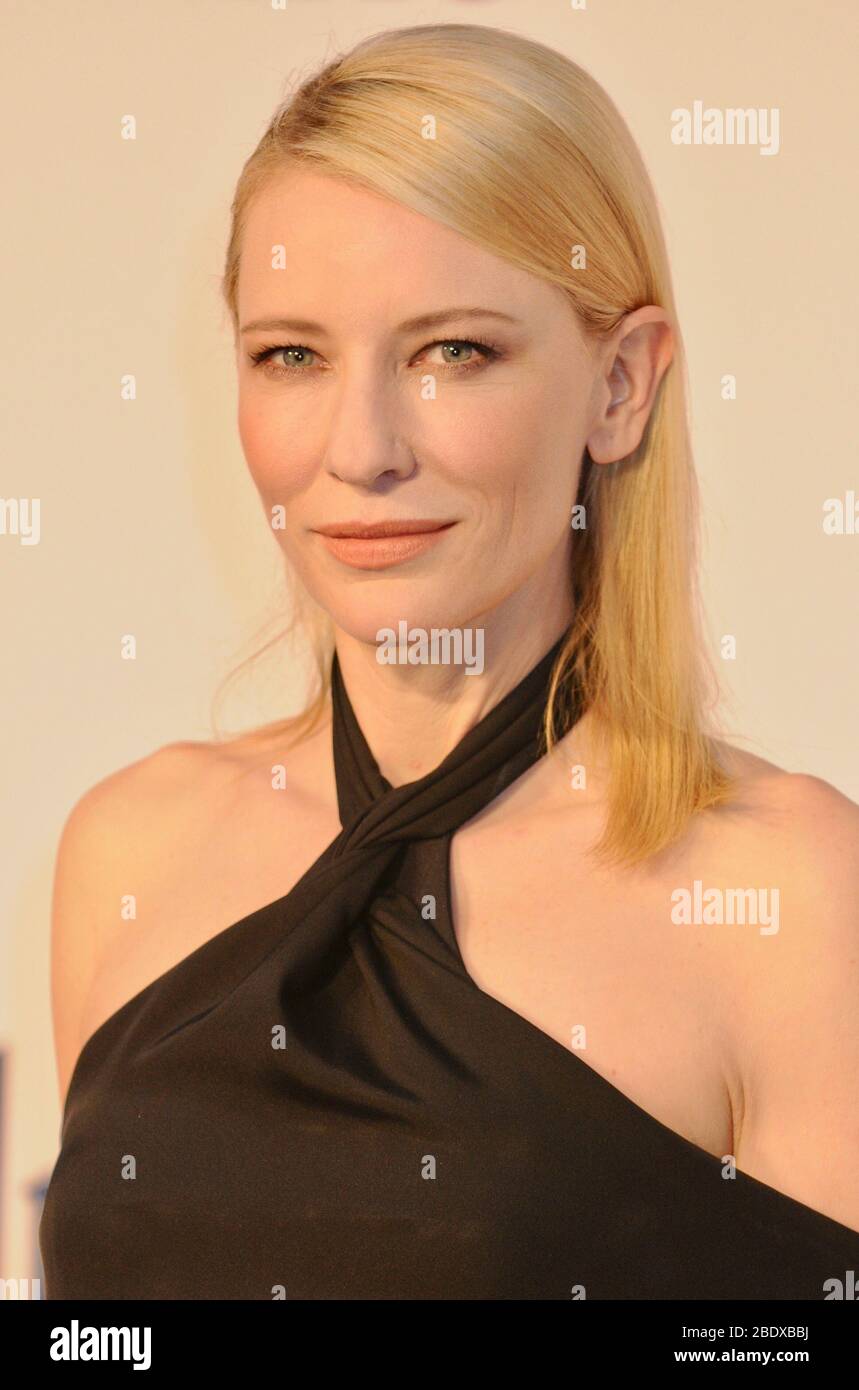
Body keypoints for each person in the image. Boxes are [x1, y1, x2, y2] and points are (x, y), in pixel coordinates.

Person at [40, 22, 859, 1299]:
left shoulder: (788, 893)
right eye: (291, 356)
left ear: (620, 386)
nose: (359, 447)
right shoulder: (128, 850)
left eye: (451, 352)